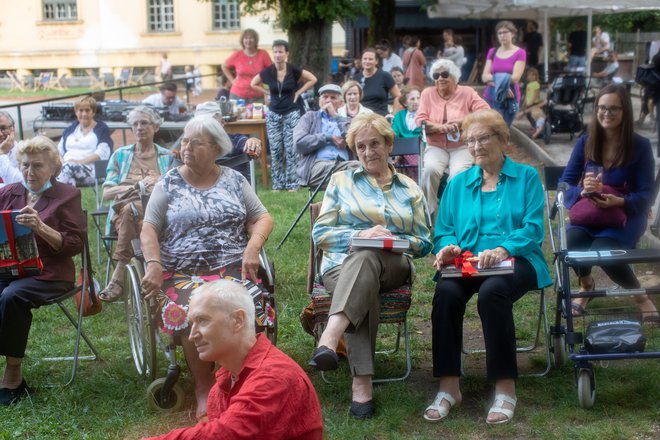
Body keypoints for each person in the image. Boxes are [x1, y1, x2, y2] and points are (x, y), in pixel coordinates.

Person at [140, 116, 273, 420]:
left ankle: (242, 379)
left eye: (195, 142)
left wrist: (252, 248)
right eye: (184, 141)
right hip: (183, 274)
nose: (186, 147)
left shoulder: (234, 180)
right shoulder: (170, 182)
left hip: (231, 268)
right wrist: (154, 263)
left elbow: (262, 218)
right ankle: (204, 386)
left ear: (215, 147)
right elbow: (149, 228)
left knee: (249, 303)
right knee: (194, 309)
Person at [425, 109, 551, 425]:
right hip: (469, 262)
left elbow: (534, 228)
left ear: (502, 139)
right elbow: (444, 229)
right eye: (470, 140)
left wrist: (503, 248)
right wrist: (449, 247)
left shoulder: (526, 177)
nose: (476, 146)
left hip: (517, 259)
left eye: (483, 138)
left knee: (493, 293)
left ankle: (505, 388)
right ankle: (449, 387)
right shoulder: (458, 182)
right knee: (446, 292)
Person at [308, 113, 432, 419]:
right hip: (340, 266)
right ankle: (361, 385)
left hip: (393, 266)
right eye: (360, 146)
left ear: (389, 144)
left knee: (369, 258)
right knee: (364, 264)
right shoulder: (340, 182)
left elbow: (425, 241)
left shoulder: (409, 188)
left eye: (374, 144)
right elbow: (319, 234)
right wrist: (359, 235)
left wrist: (393, 239)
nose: (367, 152)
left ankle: (330, 336)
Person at [143, 280, 323, 440]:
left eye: (203, 320)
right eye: (192, 323)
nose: (192, 336)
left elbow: (227, 434)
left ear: (238, 320)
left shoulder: (274, 376)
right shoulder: (224, 381)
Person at [559, 84, 659, 320]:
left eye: (614, 108)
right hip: (588, 213)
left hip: (626, 216)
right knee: (572, 243)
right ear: (595, 110)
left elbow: (647, 195)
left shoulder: (640, 146)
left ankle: (641, 296)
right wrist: (581, 192)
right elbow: (565, 183)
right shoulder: (586, 142)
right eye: (602, 107)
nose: (607, 113)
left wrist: (619, 202)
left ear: (625, 112)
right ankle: (586, 286)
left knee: (603, 251)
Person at [0, 136, 86, 405]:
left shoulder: (66, 195)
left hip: (50, 273)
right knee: (8, 290)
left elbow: (76, 244)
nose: (30, 172)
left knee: (11, 297)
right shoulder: (8, 192)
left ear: (54, 168)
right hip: (10, 268)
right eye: (25, 165)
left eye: (38, 166)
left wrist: (41, 227)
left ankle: (13, 372)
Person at [98, 106, 173, 301]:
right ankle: (148, 275)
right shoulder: (120, 155)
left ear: (155, 127)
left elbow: (176, 190)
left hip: (157, 212)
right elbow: (107, 192)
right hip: (126, 211)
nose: (139, 127)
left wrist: (159, 182)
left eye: (144, 123)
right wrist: (135, 188)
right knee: (131, 209)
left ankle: (119, 276)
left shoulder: (167, 156)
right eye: (135, 124)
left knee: (135, 215)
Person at [416, 58, 490, 223]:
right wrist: (437, 127)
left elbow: (485, 111)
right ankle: (428, 217)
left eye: (444, 74)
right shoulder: (427, 94)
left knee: (457, 175)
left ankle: (450, 215)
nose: (440, 78)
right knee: (429, 170)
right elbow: (420, 120)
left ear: (455, 76)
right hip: (436, 145)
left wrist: (462, 122)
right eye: (436, 75)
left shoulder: (467, 92)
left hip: (462, 146)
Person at [250, 39, 317, 192]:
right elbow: (253, 83)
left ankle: (293, 183)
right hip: (274, 113)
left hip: (291, 112)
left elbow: (313, 79)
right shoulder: (268, 71)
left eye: (281, 52)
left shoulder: (293, 70)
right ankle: (278, 183)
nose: (278, 55)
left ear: (286, 54)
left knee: (291, 149)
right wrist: (267, 92)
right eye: (275, 52)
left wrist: (299, 92)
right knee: (275, 149)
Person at [293, 83, 361, 188]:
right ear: (320, 101)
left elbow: (357, 142)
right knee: (358, 172)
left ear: (341, 103)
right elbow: (299, 143)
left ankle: (323, 204)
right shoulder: (309, 117)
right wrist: (328, 137)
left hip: (345, 164)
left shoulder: (347, 121)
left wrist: (335, 116)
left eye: (333, 97)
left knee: (359, 169)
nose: (329, 100)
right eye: (325, 97)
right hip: (318, 167)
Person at [56, 95, 113, 187]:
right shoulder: (71, 129)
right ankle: (65, 198)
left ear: (93, 112)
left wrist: (78, 162)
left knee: (67, 169)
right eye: (81, 110)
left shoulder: (101, 129)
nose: (84, 114)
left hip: (92, 171)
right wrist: (62, 163)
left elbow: (102, 153)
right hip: (66, 168)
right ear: (76, 112)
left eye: (87, 110)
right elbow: (58, 151)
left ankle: (52, 197)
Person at [482, 20, 527, 127]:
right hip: (490, 96)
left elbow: (515, 78)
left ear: (513, 34)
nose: (502, 35)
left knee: (503, 130)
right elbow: (484, 76)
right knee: (488, 129)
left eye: (505, 32)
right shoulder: (492, 52)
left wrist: (493, 79)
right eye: (500, 33)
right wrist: (503, 86)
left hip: (510, 97)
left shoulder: (520, 53)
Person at [222, 29, 272, 104]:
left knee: (257, 116)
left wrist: (267, 89)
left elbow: (271, 72)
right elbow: (224, 66)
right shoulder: (237, 54)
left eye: (251, 38)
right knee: (238, 116)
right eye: (246, 38)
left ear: (256, 40)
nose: (248, 40)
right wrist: (232, 81)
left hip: (257, 96)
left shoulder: (263, 54)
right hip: (237, 95)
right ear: (242, 40)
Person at [353, 48, 400, 117]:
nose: (367, 61)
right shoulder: (356, 78)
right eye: (365, 59)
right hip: (361, 118)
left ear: (376, 61)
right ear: (361, 60)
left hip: (380, 118)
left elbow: (397, 96)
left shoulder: (385, 76)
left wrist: (394, 116)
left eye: (370, 59)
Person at [392, 86, 422, 181]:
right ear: (405, 102)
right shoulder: (399, 116)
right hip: (403, 152)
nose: (416, 101)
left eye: (418, 98)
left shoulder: (424, 114)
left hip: (421, 150)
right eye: (412, 99)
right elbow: (394, 134)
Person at [0, 112, 22, 186]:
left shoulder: (24, 153)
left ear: (13, 128)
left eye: (3, 128)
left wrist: (1, 153)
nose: (0, 134)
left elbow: (19, 184)